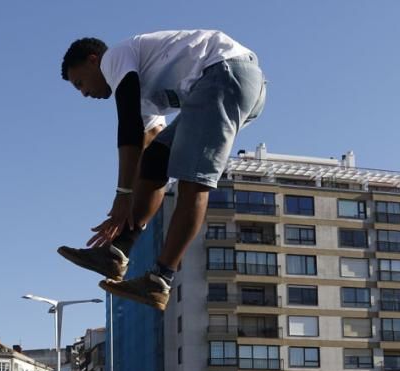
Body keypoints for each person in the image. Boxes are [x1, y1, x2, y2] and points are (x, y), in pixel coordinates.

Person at [58, 30, 266, 311]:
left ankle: (160, 279)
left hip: (226, 72)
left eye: (80, 82)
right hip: (223, 83)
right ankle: (116, 253)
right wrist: (125, 206)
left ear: (94, 60)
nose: (84, 93)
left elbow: (128, 126)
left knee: (193, 180)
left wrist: (122, 196)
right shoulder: (142, 90)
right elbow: (148, 142)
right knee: (157, 158)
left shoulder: (115, 58)